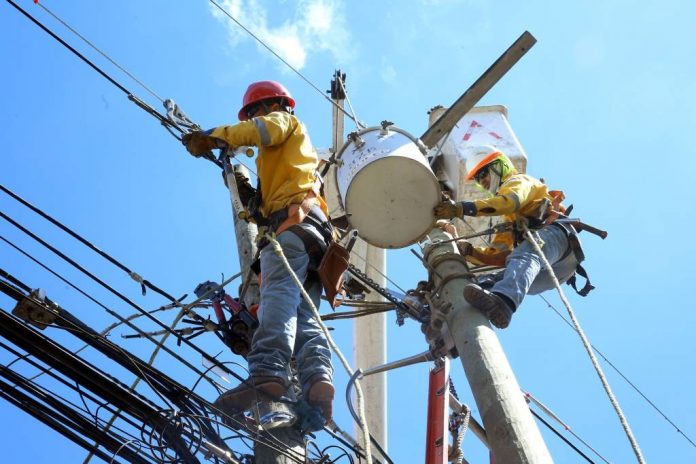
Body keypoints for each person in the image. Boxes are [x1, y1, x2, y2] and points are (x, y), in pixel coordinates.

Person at [182, 80, 334, 423]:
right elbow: (262, 208)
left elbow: (262, 130)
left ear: (271, 106)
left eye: (255, 111)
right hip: (314, 235)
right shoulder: (291, 162)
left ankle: (267, 371)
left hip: (292, 229)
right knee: (305, 314)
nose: (256, 117)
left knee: (276, 296)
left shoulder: (286, 122)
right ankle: (316, 380)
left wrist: (215, 136)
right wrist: (242, 185)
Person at [433, 145, 584, 329]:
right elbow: (501, 256)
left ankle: (504, 302)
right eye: (478, 180)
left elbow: (510, 202)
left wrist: (461, 208)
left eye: (483, 174)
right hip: (546, 274)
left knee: (526, 253)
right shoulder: (510, 220)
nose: (482, 183)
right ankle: (458, 322)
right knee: (488, 282)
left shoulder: (520, 181)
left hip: (557, 240)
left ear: (499, 166)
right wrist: (470, 251)